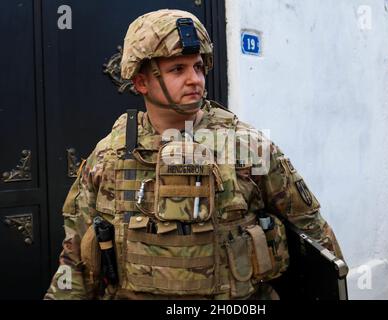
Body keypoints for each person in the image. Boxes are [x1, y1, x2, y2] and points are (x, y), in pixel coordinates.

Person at [44, 9, 344, 300]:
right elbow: (75, 261)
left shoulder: (246, 146)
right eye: (178, 69)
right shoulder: (109, 155)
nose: (195, 80)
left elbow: (313, 235)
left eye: (198, 67)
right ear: (141, 82)